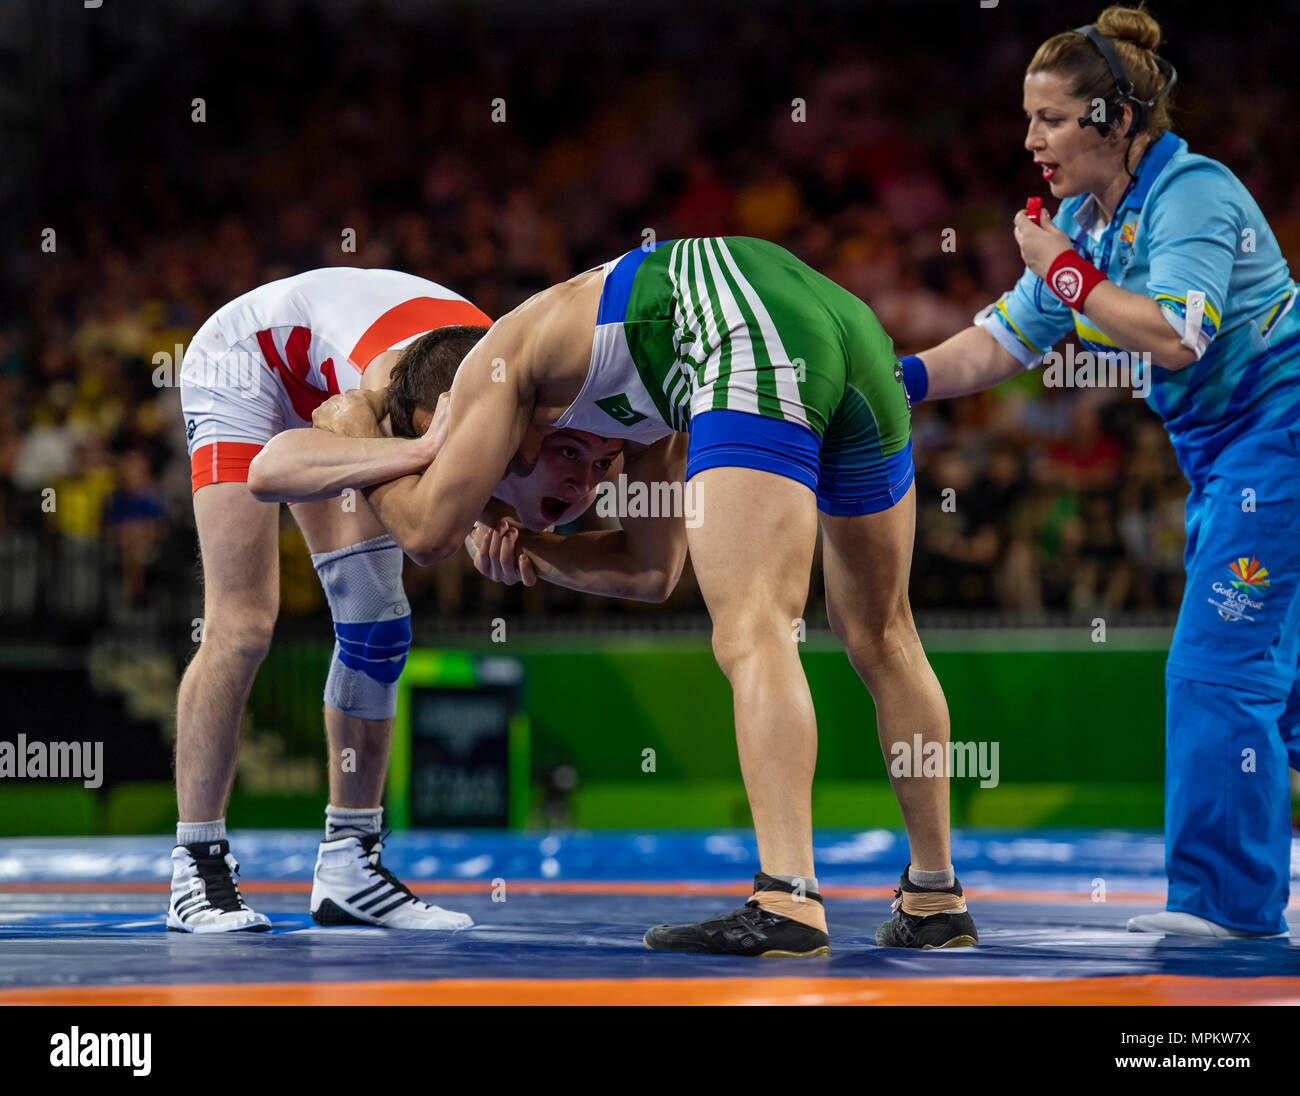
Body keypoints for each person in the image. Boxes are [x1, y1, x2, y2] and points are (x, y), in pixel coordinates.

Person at [315, 237, 979, 955]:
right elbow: (650, 572)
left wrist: (359, 442)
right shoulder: (644, 400)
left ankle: (788, 899)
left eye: (466, 469)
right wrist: (527, 545)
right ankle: (934, 898)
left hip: (748, 320)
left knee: (755, 626)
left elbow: (422, 531)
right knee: (884, 634)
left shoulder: (491, 368)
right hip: (846, 329)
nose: (577, 490)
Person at [899, 6, 1299, 937]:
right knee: (1281, 690)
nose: (1029, 139)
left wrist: (1069, 272)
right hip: (1227, 460)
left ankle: (1229, 909)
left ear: (1114, 121)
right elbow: (999, 344)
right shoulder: (1088, 222)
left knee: (1215, 670)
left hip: (1278, 438)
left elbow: (1175, 334)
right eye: (1027, 117)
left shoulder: (1190, 194)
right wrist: (901, 378)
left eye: (1049, 118)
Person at [172, 266, 494, 933]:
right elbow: (270, 473)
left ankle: (351, 864)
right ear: (408, 423)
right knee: (243, 622)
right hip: (244, 362)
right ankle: (194, 866)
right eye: (426, 447)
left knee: (378, 626)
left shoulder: (507, 377)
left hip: (338, 364)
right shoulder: (371, 403)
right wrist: (422, 459)